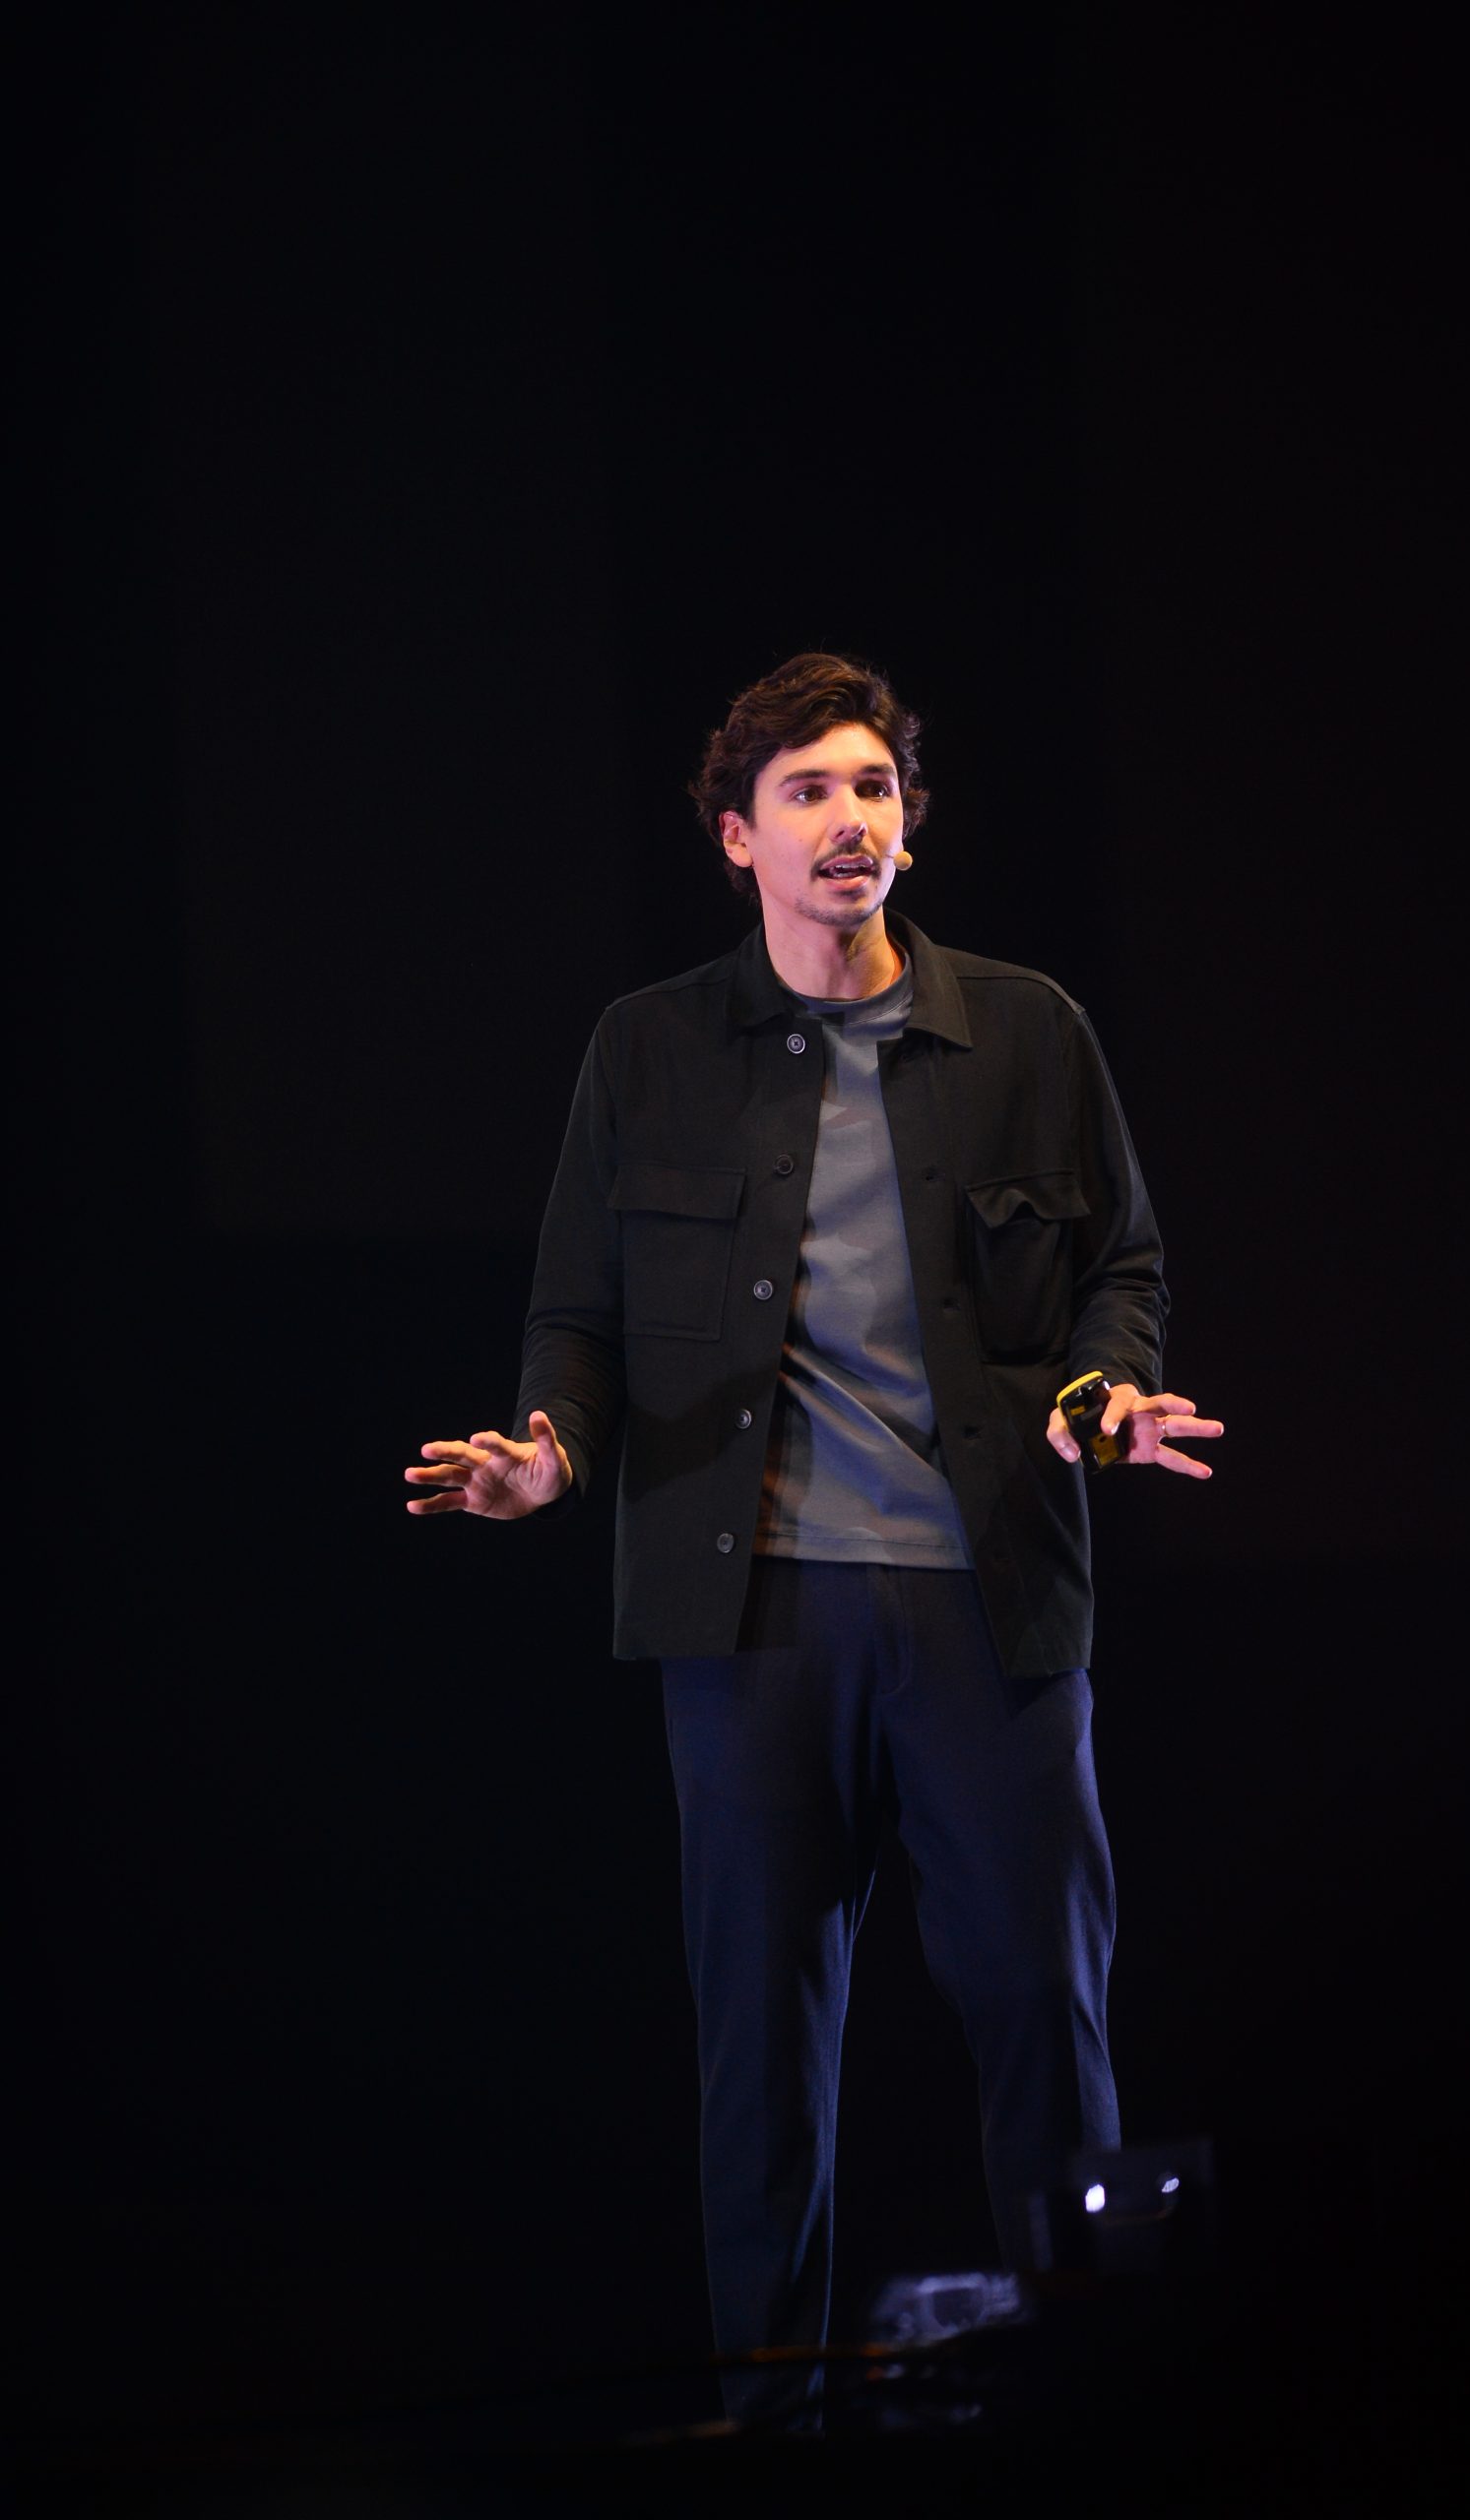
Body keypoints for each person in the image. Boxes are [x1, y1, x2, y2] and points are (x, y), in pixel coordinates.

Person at [404, 653, 1222, 2424]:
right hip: (751, 1617)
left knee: (1046, 2010)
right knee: (762, 2047)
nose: (849, 819)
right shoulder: (649, 1047)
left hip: (987, 1604)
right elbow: (578, 1317)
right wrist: (551, 1454)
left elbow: (1124, 1269)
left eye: (874, 787)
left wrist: (1107, 1390)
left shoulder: (1027, 1030)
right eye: (808, 792)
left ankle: (1093, 2402)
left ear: (907, 824)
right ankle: (766, 2413)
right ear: (738, 837)